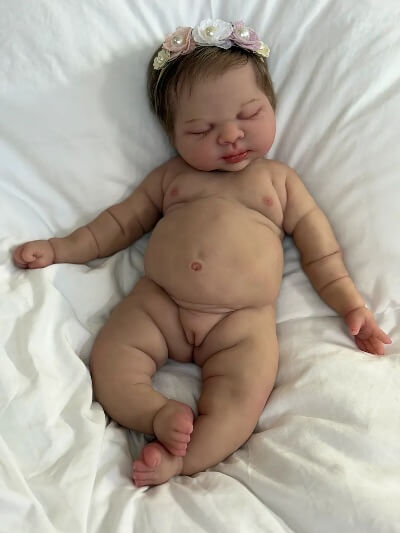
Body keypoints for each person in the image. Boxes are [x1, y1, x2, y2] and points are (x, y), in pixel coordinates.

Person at [13, 19, 392, 486]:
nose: (230, 135)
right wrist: (59, 248)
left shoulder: (279, 182)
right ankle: (153, 412)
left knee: (243, 399)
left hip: (241, 323)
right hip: (161, 304)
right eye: (200, 129)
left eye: (249, 114)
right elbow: (117, 224)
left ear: (271, 105)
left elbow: (322, 255)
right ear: (172, 134)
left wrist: (351, 306)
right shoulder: (172, 178)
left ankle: (183, 460)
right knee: (111, 358)